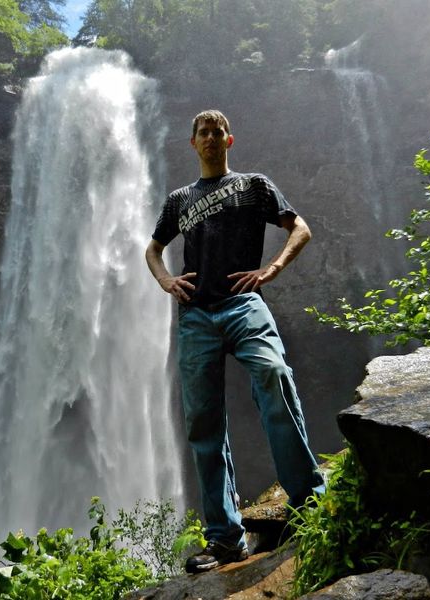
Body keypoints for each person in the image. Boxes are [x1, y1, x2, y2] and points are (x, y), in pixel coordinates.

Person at [145, 109, 325, 574]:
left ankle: (309, 503)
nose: (209, 137)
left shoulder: (254, 185)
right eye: (202, 132)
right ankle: (225, 540)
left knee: (273, 372)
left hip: (244, 305)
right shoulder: (179, 199)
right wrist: (166, 280)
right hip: (196, 316)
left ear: (229, 140)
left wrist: (272, 270)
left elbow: (299, 228)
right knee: (203, 423)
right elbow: (153, 247)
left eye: (216, 132)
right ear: (193, 143)